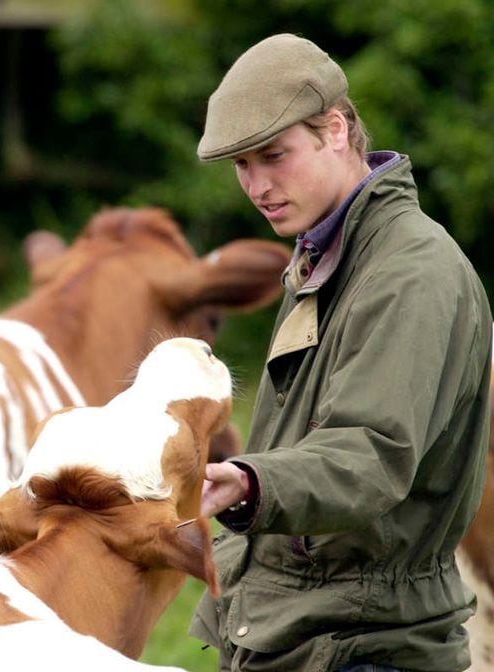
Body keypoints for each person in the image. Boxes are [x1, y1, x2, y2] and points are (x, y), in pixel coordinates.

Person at [190, 33, 492, 671]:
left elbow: (371, 452)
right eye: (242, 165)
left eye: (274, 155)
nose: (257, 185)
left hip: (367, 647)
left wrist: (250, 482)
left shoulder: (411, 273)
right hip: (301, 636)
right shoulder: (327, 254)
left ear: (335, 129)